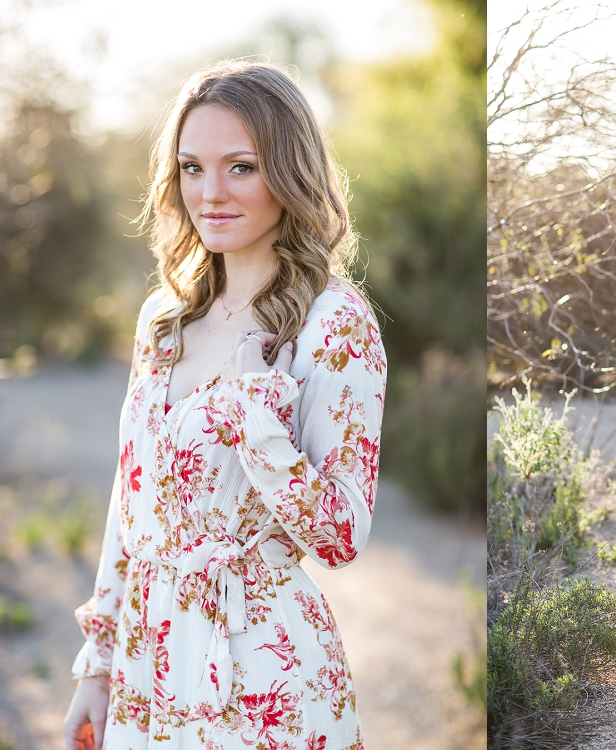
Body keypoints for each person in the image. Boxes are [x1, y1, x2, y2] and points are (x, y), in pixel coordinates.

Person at [62, 61, 385, 750]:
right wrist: (98, 662)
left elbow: (340, 536)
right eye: (191, 167)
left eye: (241, 167)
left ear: (289, 171)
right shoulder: (164, 317)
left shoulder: (333, 321)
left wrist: (252, 420)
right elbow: (132, 501)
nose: (210, 193)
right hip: (148, 667)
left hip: (265, 667)